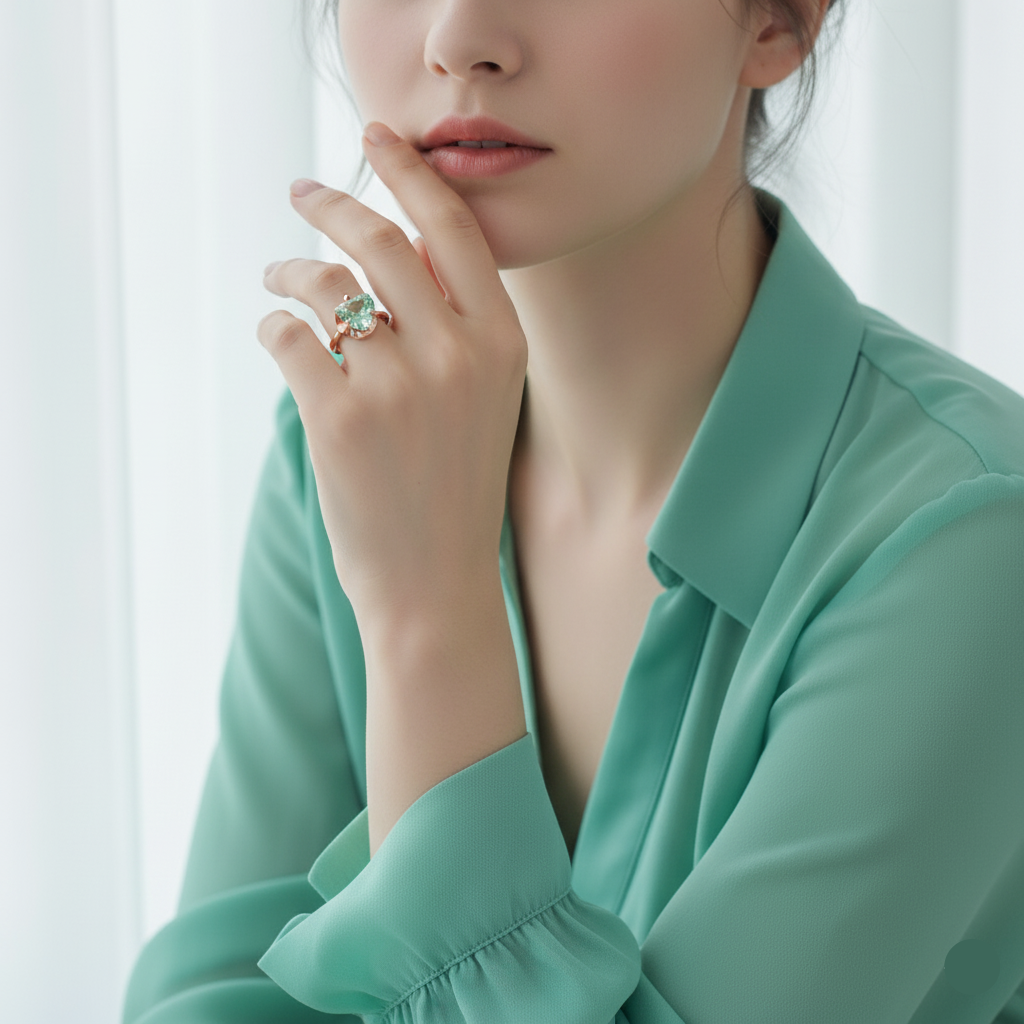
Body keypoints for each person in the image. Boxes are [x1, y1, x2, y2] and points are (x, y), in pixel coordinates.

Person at [122, 0, 1024, 1020]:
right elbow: (212, 995)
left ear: (779, 21)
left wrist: (430, 616)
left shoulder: (971, 537)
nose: (459, 37)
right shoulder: (346, 444)